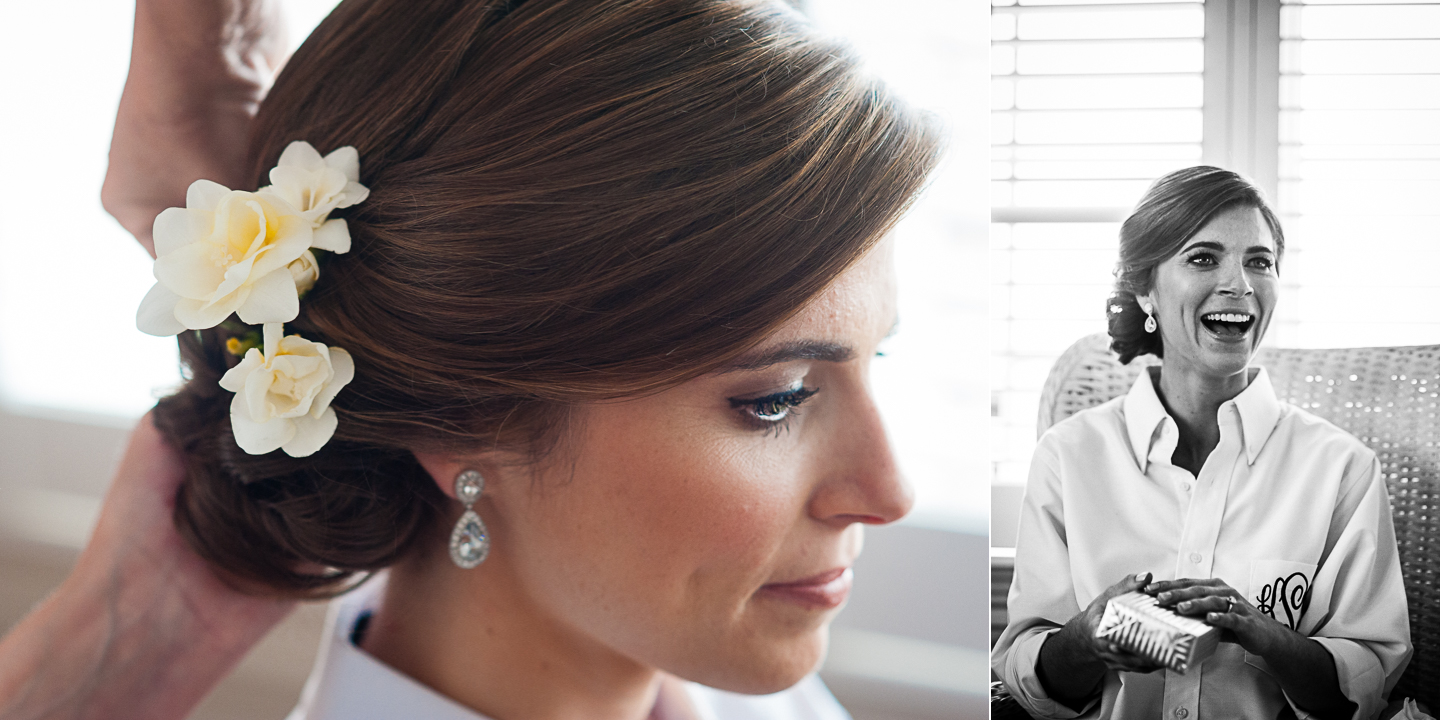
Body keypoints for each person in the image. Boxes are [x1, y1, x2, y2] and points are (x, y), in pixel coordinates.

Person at [0, 0, 943, 719]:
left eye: (880, 354)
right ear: (462, 421)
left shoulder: (733, 670)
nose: (889, 489)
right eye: (775, 400)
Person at [991, 167, 1411, 719]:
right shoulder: (1068, 455)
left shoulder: (1341, 468)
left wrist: (1263, 634)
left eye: (1259, 261)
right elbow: (1030, 683)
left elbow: (1363, 693)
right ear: (1145, 288)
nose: (1239, 283)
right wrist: (1085, 639)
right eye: (1203, 258)